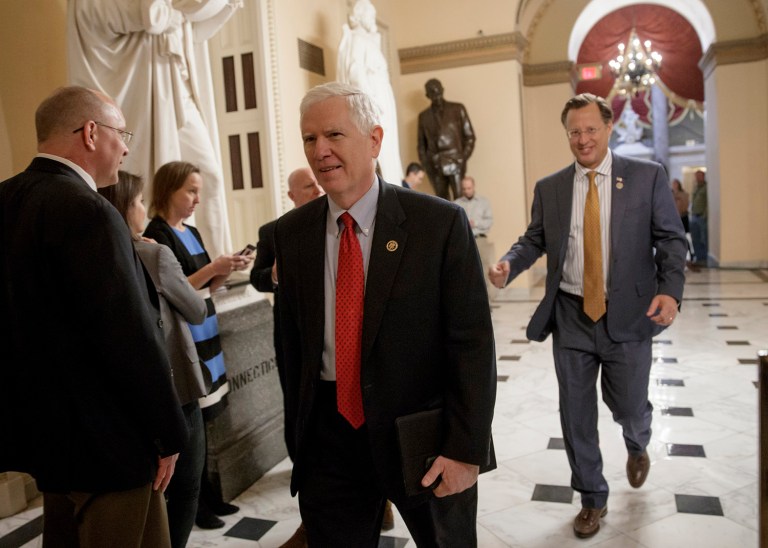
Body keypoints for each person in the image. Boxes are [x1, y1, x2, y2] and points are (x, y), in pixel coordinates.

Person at [274, 82, 496, 547]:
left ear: (374, 140)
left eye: (334, 135)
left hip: (422, 435)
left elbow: (471, 345)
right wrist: (301, 444)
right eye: (310, 138)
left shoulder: (438, 224)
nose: (320, 150)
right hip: (329, 442)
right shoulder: (292, 234)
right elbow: (291, 347)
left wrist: (465, 449)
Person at [489, 93, 687, 540]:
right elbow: (534, 239)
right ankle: (592, 497)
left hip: (629, 314)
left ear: (609, 127)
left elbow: (671, 240)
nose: (583, 139)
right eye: (574, 132)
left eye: (591, 129)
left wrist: (670, 292)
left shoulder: (646, 177)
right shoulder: (551, 187)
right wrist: (509, 264)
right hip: (572, 315)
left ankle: (637, 441)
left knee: (629, 405)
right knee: (575, 413)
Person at [0, 86, 188, 546]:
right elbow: (128, 335)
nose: (124, 147)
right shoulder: (89, 209)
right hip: (110, 441)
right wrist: (168, 432)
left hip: (40, 436)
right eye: (121, 134)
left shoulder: (5, 198)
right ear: (90, 133)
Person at [68, 0, 243, 259]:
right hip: (142, 92)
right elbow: (149, 15)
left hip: (176, 90)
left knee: (210, 175)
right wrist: (178, 11)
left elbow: (191, 30)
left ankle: (217, 262)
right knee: (152, 182)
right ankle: (165, 259)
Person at [99, 171, 209, 548]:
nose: (144, 209)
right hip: (173, 384)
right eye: (139, 201)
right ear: (124, 207)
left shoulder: (94, 252)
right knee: (185, 485)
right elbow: (196, 310)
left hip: (123, 392)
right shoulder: (153, 253)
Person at [143, 161, 253, 529]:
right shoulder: (157, 233)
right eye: (190, 191)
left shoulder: (190, 231)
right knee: (194, 429)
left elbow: (205, 287)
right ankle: (196, 504)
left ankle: (209, 496)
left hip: (207, 330)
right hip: (185, 337)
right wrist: (213, 268)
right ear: (168, 190)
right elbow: (173, 290)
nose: (196, 200)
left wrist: (226, 268)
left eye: (198, 192)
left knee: (208, 422)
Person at [337, 0, 404, 186]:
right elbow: (355, 73)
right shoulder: (357, 39)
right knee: (378, 144)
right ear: (361, 16)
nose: (373, 19)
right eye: (370, 15)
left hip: (380, 97)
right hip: (374, 101)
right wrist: (372, 103)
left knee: (386, 146)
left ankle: (389, 185)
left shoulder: (369, 40)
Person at [417, 78, 475, 200]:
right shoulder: (424, 116)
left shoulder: (457, 109)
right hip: (435, 165)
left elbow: (470, 137)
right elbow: (421, 145)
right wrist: (427, 164)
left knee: (460, 201)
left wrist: (462, 157)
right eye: (433, 94)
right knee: (441, 202)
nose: (437, 97)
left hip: (456, 161)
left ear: (443, 90)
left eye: (439, 93)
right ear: (428, 95)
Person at [671, 178, 696, 269]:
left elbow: (685, 205)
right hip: (673, 219)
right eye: (673, 184)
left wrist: (678, 200)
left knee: (684, 237)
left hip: (682, 218)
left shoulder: (684, 194)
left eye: (676, 183)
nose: (674, 185)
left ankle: (690, 254)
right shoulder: (670, 194)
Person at [690, 169, 708, 267]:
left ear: (703, 176)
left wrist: (704, 215)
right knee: (695, 239)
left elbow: (707, 202)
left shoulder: (706, 188)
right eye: (696, 176)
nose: (697, 178)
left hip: (701, 217)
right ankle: (698, 258)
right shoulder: (696, 187)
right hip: (694, 216)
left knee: (702, 239)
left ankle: (704, 259)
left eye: (699, 176)